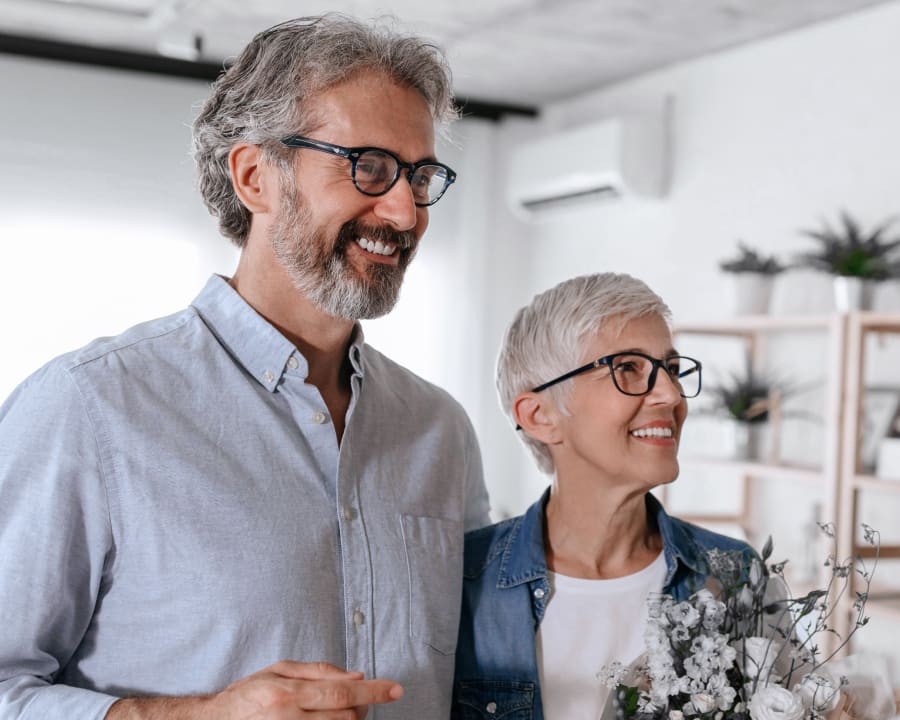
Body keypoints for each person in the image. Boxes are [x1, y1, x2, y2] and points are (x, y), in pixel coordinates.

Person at [0, 14, 490, 720]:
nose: (405, 211)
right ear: (257, 176)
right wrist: (193, 717)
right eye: (370, 167)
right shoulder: (89, 407)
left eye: (420, 175)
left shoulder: (439, 429)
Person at [452, 273, 754, 720]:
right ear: (539, 416)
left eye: (671, 368)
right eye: (628, 368)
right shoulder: (461, 583)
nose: (671, 395)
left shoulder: (738, 575)